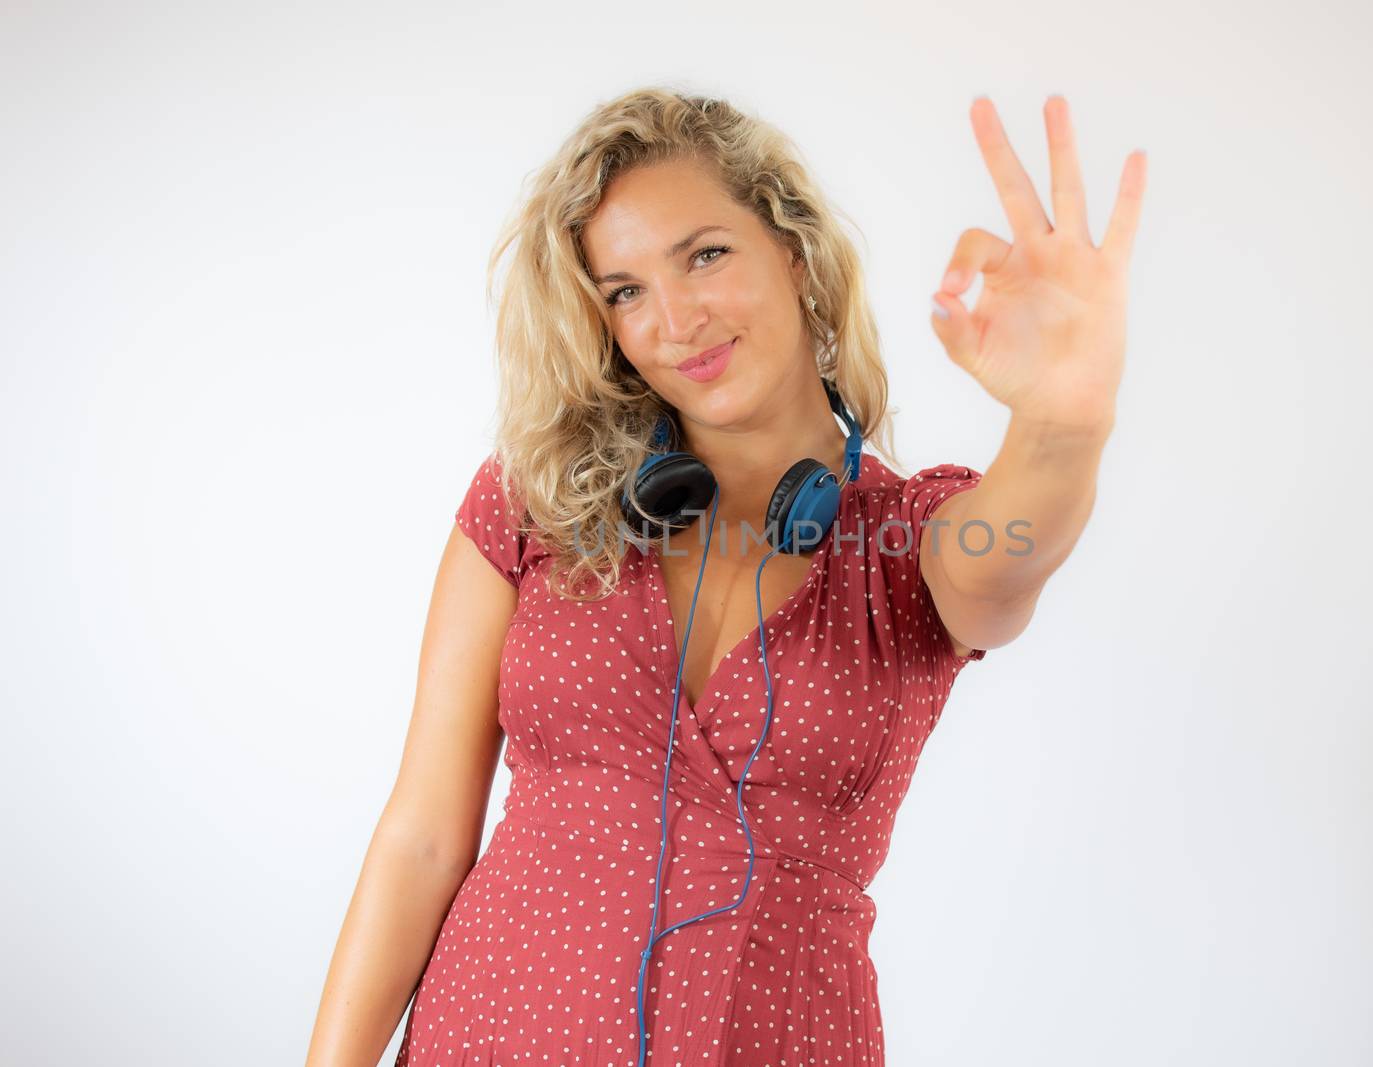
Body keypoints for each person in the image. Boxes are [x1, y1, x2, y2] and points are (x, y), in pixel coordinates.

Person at [306, 86, 1145, 1067]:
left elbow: (1013, 552)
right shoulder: (533, 502)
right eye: (623, 289)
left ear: (792, 251)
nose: (675, 319)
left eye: (705, 254)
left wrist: (1064, 419)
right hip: (486, 1036)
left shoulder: (908, 543)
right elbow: (421, 838)